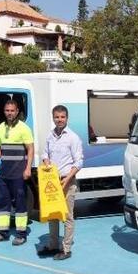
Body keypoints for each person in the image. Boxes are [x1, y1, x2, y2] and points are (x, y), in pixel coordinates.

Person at [39, 105, 83, 261]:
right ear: (53, 118)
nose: (59, 120)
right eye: (57, 117)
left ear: (67, 118)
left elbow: (78, 162)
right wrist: (46, 162)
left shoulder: (73, 137)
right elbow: (45, 153)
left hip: (67, 181)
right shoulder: (50, 136)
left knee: (67, 216)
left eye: (62, 117)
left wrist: (67, 179)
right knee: (53, 214)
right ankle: (53, 245)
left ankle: (66, 249)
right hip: (52, 181)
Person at [0, 99, 34, 246]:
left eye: (12, 110)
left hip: (18, 173)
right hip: (4, 173)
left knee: (20, 203)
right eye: (7, 110)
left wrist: (27, 168)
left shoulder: (24, 128)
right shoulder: (1, 127)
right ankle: (2, 232)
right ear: (4, 111)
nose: (9, 113)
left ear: (17, 111)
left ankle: (21, 234)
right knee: (2, 203)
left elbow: (30, 149)